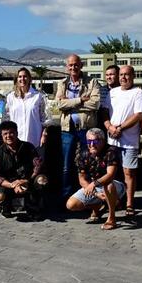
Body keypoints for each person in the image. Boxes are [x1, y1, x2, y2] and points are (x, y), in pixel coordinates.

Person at [104, 65, 142, 217]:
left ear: (133, 76)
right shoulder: (112, 92)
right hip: (112, 141)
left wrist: (120, 128)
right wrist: (109, 127)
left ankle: (129, 204)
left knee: (129, 173)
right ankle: (115, 201)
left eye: (127, 75)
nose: (123, 77)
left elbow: (139, 115)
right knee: (112, 174)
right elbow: (105, 112)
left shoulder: (138, 93)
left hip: (129, 141)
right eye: (121, 74)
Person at [56, 54, 100, 200]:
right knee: (66, 165)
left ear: (81, 65)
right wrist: (80, 100)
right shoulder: (62, 84)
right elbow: (59, 105)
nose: (73, 67)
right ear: (67, 67)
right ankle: (66, 197)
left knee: (88, 163)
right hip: (68, 130)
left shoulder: (91, 82)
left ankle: (89, 197)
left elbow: (95, 104)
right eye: (70, 65)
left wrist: (70, 103)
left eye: (76, 64)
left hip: (86, 129)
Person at [65, 128, 124, 230]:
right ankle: (97, 205)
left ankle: (112, 219)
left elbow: (110, 175)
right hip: (95, 187)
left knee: (108, 185)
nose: (91, 144)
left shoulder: (111, 151)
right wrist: (95, 193)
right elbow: (82, 179)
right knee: (70, 205)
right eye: (89, 141)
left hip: (115, 185)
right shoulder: (83, 154)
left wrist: (94, 184)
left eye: (95, 141)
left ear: (102, 141)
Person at [0, 120, 47, 221]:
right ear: (1, 135)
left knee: (42, 180)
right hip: (9, 185)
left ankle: (33, 208)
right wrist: (12, 185)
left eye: (11, 132)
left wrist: (26, 180)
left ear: (17, 133)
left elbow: (38, 166)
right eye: (5, 134)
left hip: (27, 181)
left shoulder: (28, 147)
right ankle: (5, 208)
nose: (8, 136)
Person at [2, 67, 49, 149]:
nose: (22, 79)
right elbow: (6, 119)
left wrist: (44, 135)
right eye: (20, 76)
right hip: (15, 141)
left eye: (25, 76)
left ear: (29, 79)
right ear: (16, 79)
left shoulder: (38, 96)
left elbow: (45, 118)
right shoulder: (10, 97)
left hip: (34, 140)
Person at [98, 64, 120, 129]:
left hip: (118, 125)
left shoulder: (124, 91)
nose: (108, 77)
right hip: (101, 125)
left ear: (118, 75)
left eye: (111, 74)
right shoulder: (100, 91)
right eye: (107, 75)